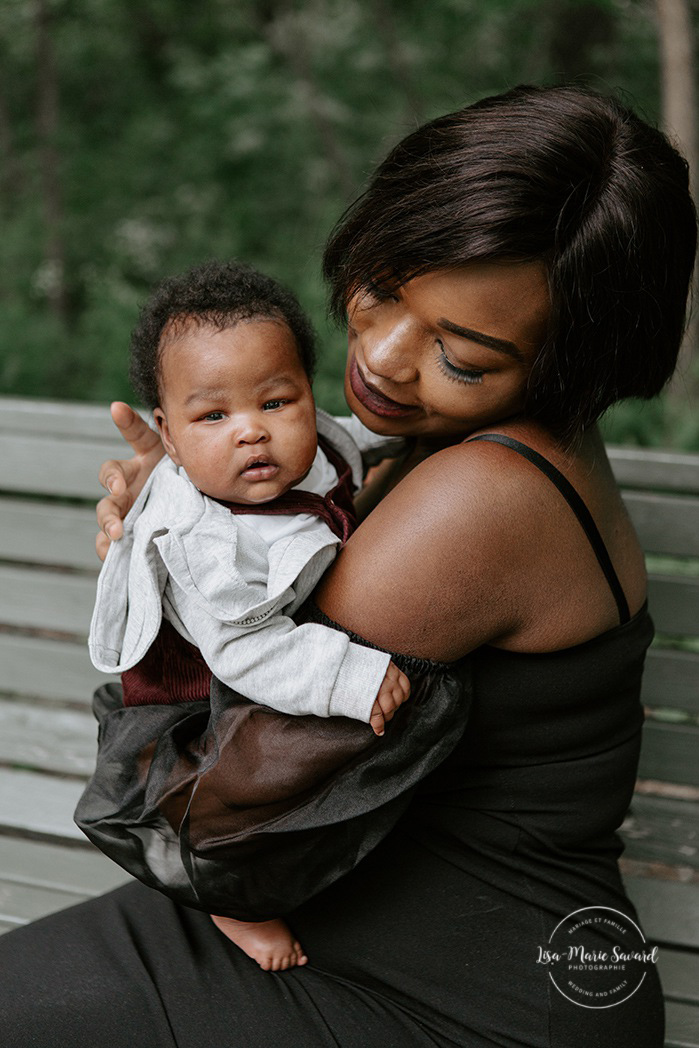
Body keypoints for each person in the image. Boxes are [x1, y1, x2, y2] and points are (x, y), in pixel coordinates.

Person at [1, 83, 695, 1048]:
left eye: (460, 355)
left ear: (567, 367)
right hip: (347, 925)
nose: (380, 353)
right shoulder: (443, 453)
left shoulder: (477, 499)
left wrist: (172, 550)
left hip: (463, 998)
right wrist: (203, 497)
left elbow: (211, 793)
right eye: (383, 286)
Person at [85, 259, 411, 972]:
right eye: (213, 415)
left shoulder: (313, 448)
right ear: (168, 436)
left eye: (275, 401)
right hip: (198, 689)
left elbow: (351, 444)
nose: (251, 433)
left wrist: (410, 437)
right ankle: (227, 898)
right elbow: (246, 654)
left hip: (258, 652)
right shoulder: (203, 539)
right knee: (233, 803)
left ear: (305, 394)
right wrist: (349, 676)